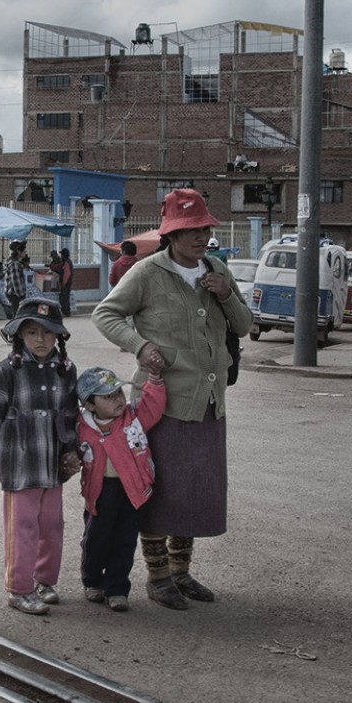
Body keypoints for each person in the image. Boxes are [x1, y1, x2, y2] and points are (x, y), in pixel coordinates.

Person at [92, 188, 251, 610]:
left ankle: (182, 571)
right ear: (171, 236)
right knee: (159, 491)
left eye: (204, 228)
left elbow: (245, 324)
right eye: (191, 230)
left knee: (195, 492)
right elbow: (105, 313)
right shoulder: (146, 273)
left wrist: (225, 294)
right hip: (161, 402)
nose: (201, 237)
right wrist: (140, 346)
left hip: (209, 401)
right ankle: (158, 576)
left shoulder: (217, 270)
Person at [0, 299, 81, 615]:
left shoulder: (66, 371)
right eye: (32, 332)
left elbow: (70, 417)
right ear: (19, 335)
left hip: (52, 466)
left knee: (52, 525)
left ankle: (45, 582)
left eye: (48, 333)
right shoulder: (8, 371)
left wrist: (71, 452)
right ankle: (19, 589)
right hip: (19, 466)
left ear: (58, 337)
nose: (40, 340)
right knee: (22, 526)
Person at [75, 365, 166, 612]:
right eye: (107, 396)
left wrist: (155, 379)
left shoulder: (133, 417)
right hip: (100, 493)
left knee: (125, 541)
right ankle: (93, 581)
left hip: (131, 492)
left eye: (118, 392)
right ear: (90, 405)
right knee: (96, 539)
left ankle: (116, 588)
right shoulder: (81, 427)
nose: (117, 398)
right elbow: (70, 452)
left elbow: (153, 406)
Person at [3, 242, 27, 316]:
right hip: (15, 294)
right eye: (24, 251)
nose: (25, 253)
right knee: (18, 315)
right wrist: (21, 295)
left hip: (12, 293)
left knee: (17, 314)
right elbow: (15, 281)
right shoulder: (14, 264)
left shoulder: (11, 262)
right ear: (19, 252)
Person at [49, 248, 74, 316]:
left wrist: (63, 283)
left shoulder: (67, 262)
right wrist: (51, 266)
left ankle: (66, 311)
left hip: (66, 284)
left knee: (64, 298)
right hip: (66, 283)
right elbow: (58, 267)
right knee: (65, 297)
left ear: (64, 255)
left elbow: (67, 274)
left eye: (62, 254)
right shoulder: (65, 262)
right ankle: (66, 311)